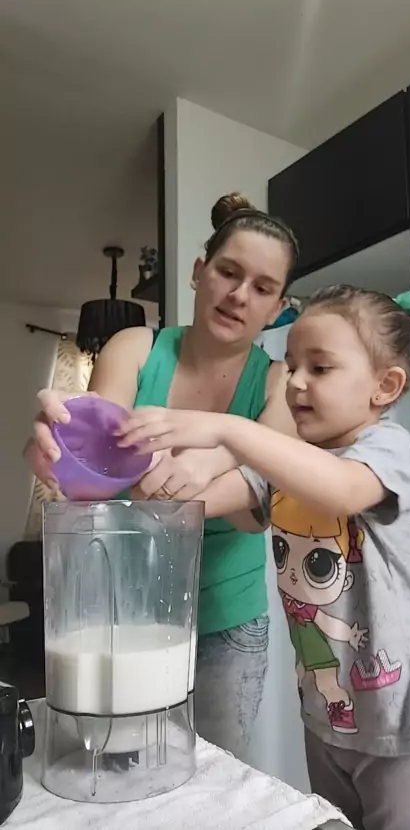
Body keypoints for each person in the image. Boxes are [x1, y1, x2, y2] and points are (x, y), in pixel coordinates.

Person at [117, 284, 410, 830]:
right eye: (293, 365)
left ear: (385, 386)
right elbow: (185, 504)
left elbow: (341, 489)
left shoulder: (387, 449)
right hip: (327, 716)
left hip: (402, 717)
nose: (296, 382)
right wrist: (131, 460)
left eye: (320, 368)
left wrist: (230, 429)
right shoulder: (286, 462)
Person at [23, 192, 299, 761]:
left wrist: (188, 484)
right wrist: (56, 450)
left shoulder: (279, 383)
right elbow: (94, 469)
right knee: (117, 764)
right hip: (124, 613)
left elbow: (257, 508)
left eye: (262, 288)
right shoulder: (135, 346)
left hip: (228, 622)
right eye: (228, 272)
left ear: (277, 308)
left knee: (217, 779)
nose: (239, 295)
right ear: (199, 272)